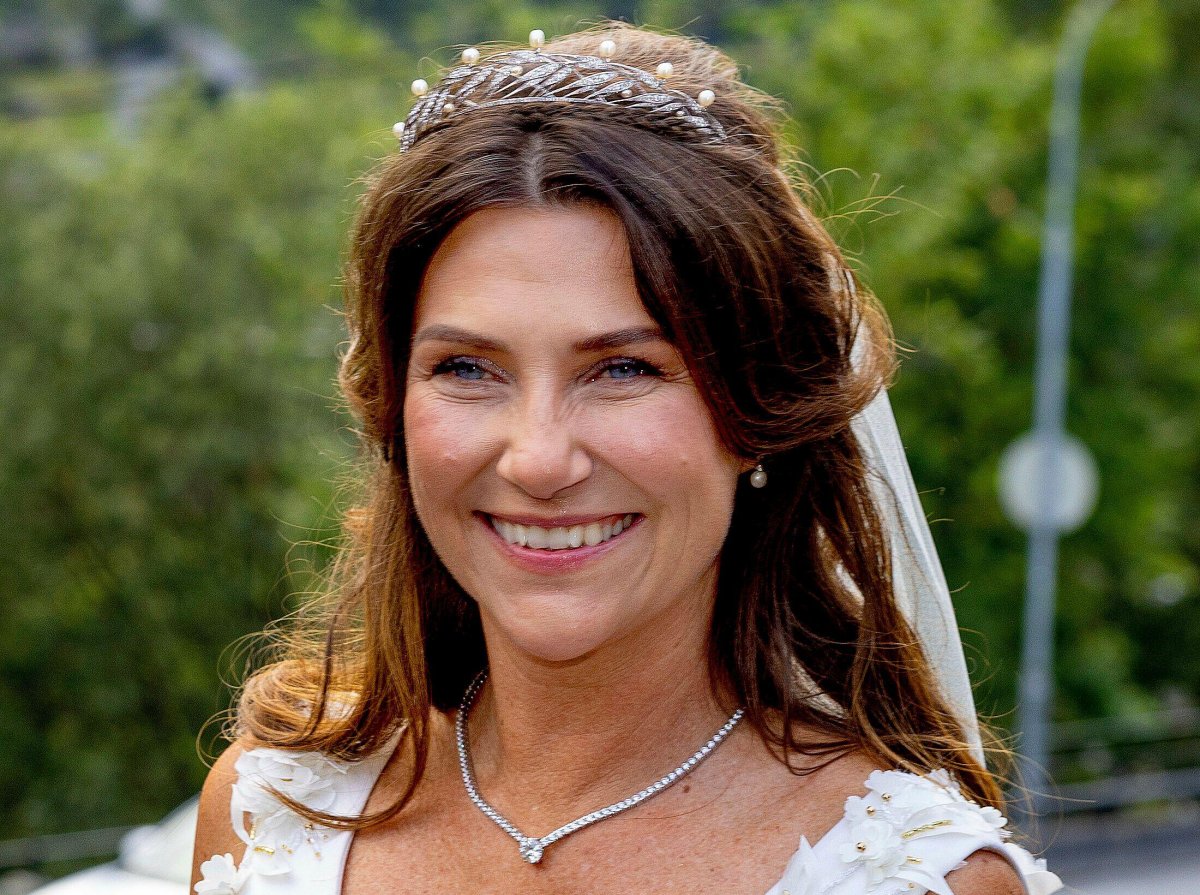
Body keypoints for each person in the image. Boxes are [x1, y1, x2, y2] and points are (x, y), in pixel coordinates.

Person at [191, 23, 1062, 895]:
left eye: (623, 368)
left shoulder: (906, 876)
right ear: (394, 408)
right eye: (466, 368)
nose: (538, 458)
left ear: (753, 414)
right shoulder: (273, 812)